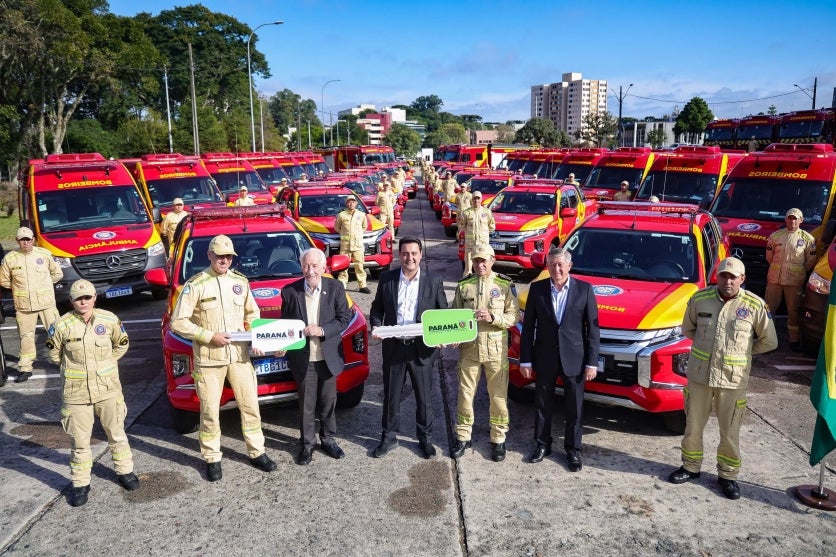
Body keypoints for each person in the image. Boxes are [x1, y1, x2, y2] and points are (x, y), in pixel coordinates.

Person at [668, 257, 778, 499]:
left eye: (733, 277)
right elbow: (688, 329)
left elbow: (769, 341)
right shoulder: (700, 299)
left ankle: (727, 475)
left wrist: (742, 352)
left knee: (730, 430)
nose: (728, 281)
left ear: (742, 279)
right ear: (717, 277)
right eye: (724, 276)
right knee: (693, 425)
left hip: (733, 379)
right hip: (700, 376)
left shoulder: (755, 305)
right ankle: (690, 467)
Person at [170, 234, 277, 482]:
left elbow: (253, 313)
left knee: (250, 406)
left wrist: (257, 338)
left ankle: (257, 451)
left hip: (239, 357)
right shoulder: (196, 284)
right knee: (209, 411)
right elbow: (178, 322)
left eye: (229, 256)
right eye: (220, 256)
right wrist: (208, 336)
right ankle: (212, 458)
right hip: (209, 360)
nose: (225, 260)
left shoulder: (240, 282)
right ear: (209, 255)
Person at [47, 279, 138, 507]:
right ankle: (80, 483)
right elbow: (54, 355)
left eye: (87, 297)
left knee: (116, 433)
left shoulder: (109, 319)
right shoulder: (61, 325)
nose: (83, 301)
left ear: (95, 297)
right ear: (71, 301)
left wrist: (105, 364)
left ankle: (125, 472)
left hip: (108, 390)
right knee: (79, 441)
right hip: (76, 394)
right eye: (78, 298)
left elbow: (122, 343)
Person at [519, 247, 600, 471]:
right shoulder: (537, 290)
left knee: (574, 407)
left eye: (561, 264)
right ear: (547, 266)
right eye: (552, 264)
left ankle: (573, 451)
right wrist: (525, 360)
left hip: (575, 358)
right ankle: (542, 445)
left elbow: (593, 330)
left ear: (569, 266)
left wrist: (592, 362)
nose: (557, 269)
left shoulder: (584, 290)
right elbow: (528, 329)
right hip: (545, 356)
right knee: (542, 404)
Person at [369, 237, 448, 459]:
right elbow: (377, 309)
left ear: (421, 255)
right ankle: (388, 437)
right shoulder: (387, 279)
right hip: (394, 348)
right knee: (391, 396)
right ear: (399, 255)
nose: (409, 258)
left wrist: (443, 335)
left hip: (421, 349)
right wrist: (376, 325)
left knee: (424, 398)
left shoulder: (433, 281)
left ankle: (425, 439)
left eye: (414, 253)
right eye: (405, 253)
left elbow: (442, 313)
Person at [280, 248, 353, 465]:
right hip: (304, 358)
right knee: (306, 404)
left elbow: (344, 318)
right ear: (301, 267)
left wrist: (322, 330)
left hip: (327, 356)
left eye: (314, 266)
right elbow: (285, 324)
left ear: (323, 267)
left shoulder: (336, 287)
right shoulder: (290, 292)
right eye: (306, 265)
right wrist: (281, 344)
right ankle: (308, 444)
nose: (310, 271)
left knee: (328, 401)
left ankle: (328, 439)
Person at [451, 245, 519, 462]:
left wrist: (493, 318)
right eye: (476, 261)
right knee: (465, 394)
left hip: (495, 351)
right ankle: (463, 436)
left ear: (492, 260)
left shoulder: (505, 285)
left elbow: (514, 316)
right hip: (469, 349)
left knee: (498, 397)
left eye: (484, 261)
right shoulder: (464, 286)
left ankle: (498, 439)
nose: (480, 265)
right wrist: (454, 335)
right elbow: (454, 315)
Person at [0, 226, 63, 382]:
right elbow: (4, 280)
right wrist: (19, 289)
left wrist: (46, 286)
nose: (25, 242)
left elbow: (57, 274)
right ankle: (26, 368)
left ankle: (61, 361)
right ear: (17, 241)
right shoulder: (10, 258)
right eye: (22, 240)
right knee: (26, 337)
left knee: (56, 333)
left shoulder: (44, 254)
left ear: (33, 239)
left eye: (28, 239)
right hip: (24, 306)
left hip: (46, 303)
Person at [764, 208, 816, 351]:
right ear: (785, 219)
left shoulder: (807, 239)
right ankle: (768, 338)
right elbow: (769, 257)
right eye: (790, 218)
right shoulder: (775, 236)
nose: (792, 221)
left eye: (795, 218)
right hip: (774, 279)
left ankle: (794, 339)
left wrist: (798, 271)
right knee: (769, 309)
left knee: (793, 310)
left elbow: (811, 260)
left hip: (794, 281)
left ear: (801, 220)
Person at [334, 196, 371, 294]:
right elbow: (337, 228)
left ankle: (362, 286)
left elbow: (364, 226)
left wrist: (357, 235)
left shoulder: (362, 215)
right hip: (345, 245)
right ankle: (342, 285)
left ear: (356, 204)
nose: (351, 204)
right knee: (343, 267)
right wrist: (344, 235)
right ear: (346, 204)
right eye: (349, 202)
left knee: (359, 266)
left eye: (353, 202)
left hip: (357, 245)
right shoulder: (341, 215)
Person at [458, 191, 496, 277]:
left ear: (481, 199)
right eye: (474, 198)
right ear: (472, 199)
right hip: (470, 245)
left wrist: (483, 234)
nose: (476, 200)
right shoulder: (467, 213)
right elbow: (462, 226)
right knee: (468, 270)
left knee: (484, 268)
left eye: (478, 198)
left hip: (483, 246)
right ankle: (466, 285)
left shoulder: (486, 212)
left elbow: (492, 226)